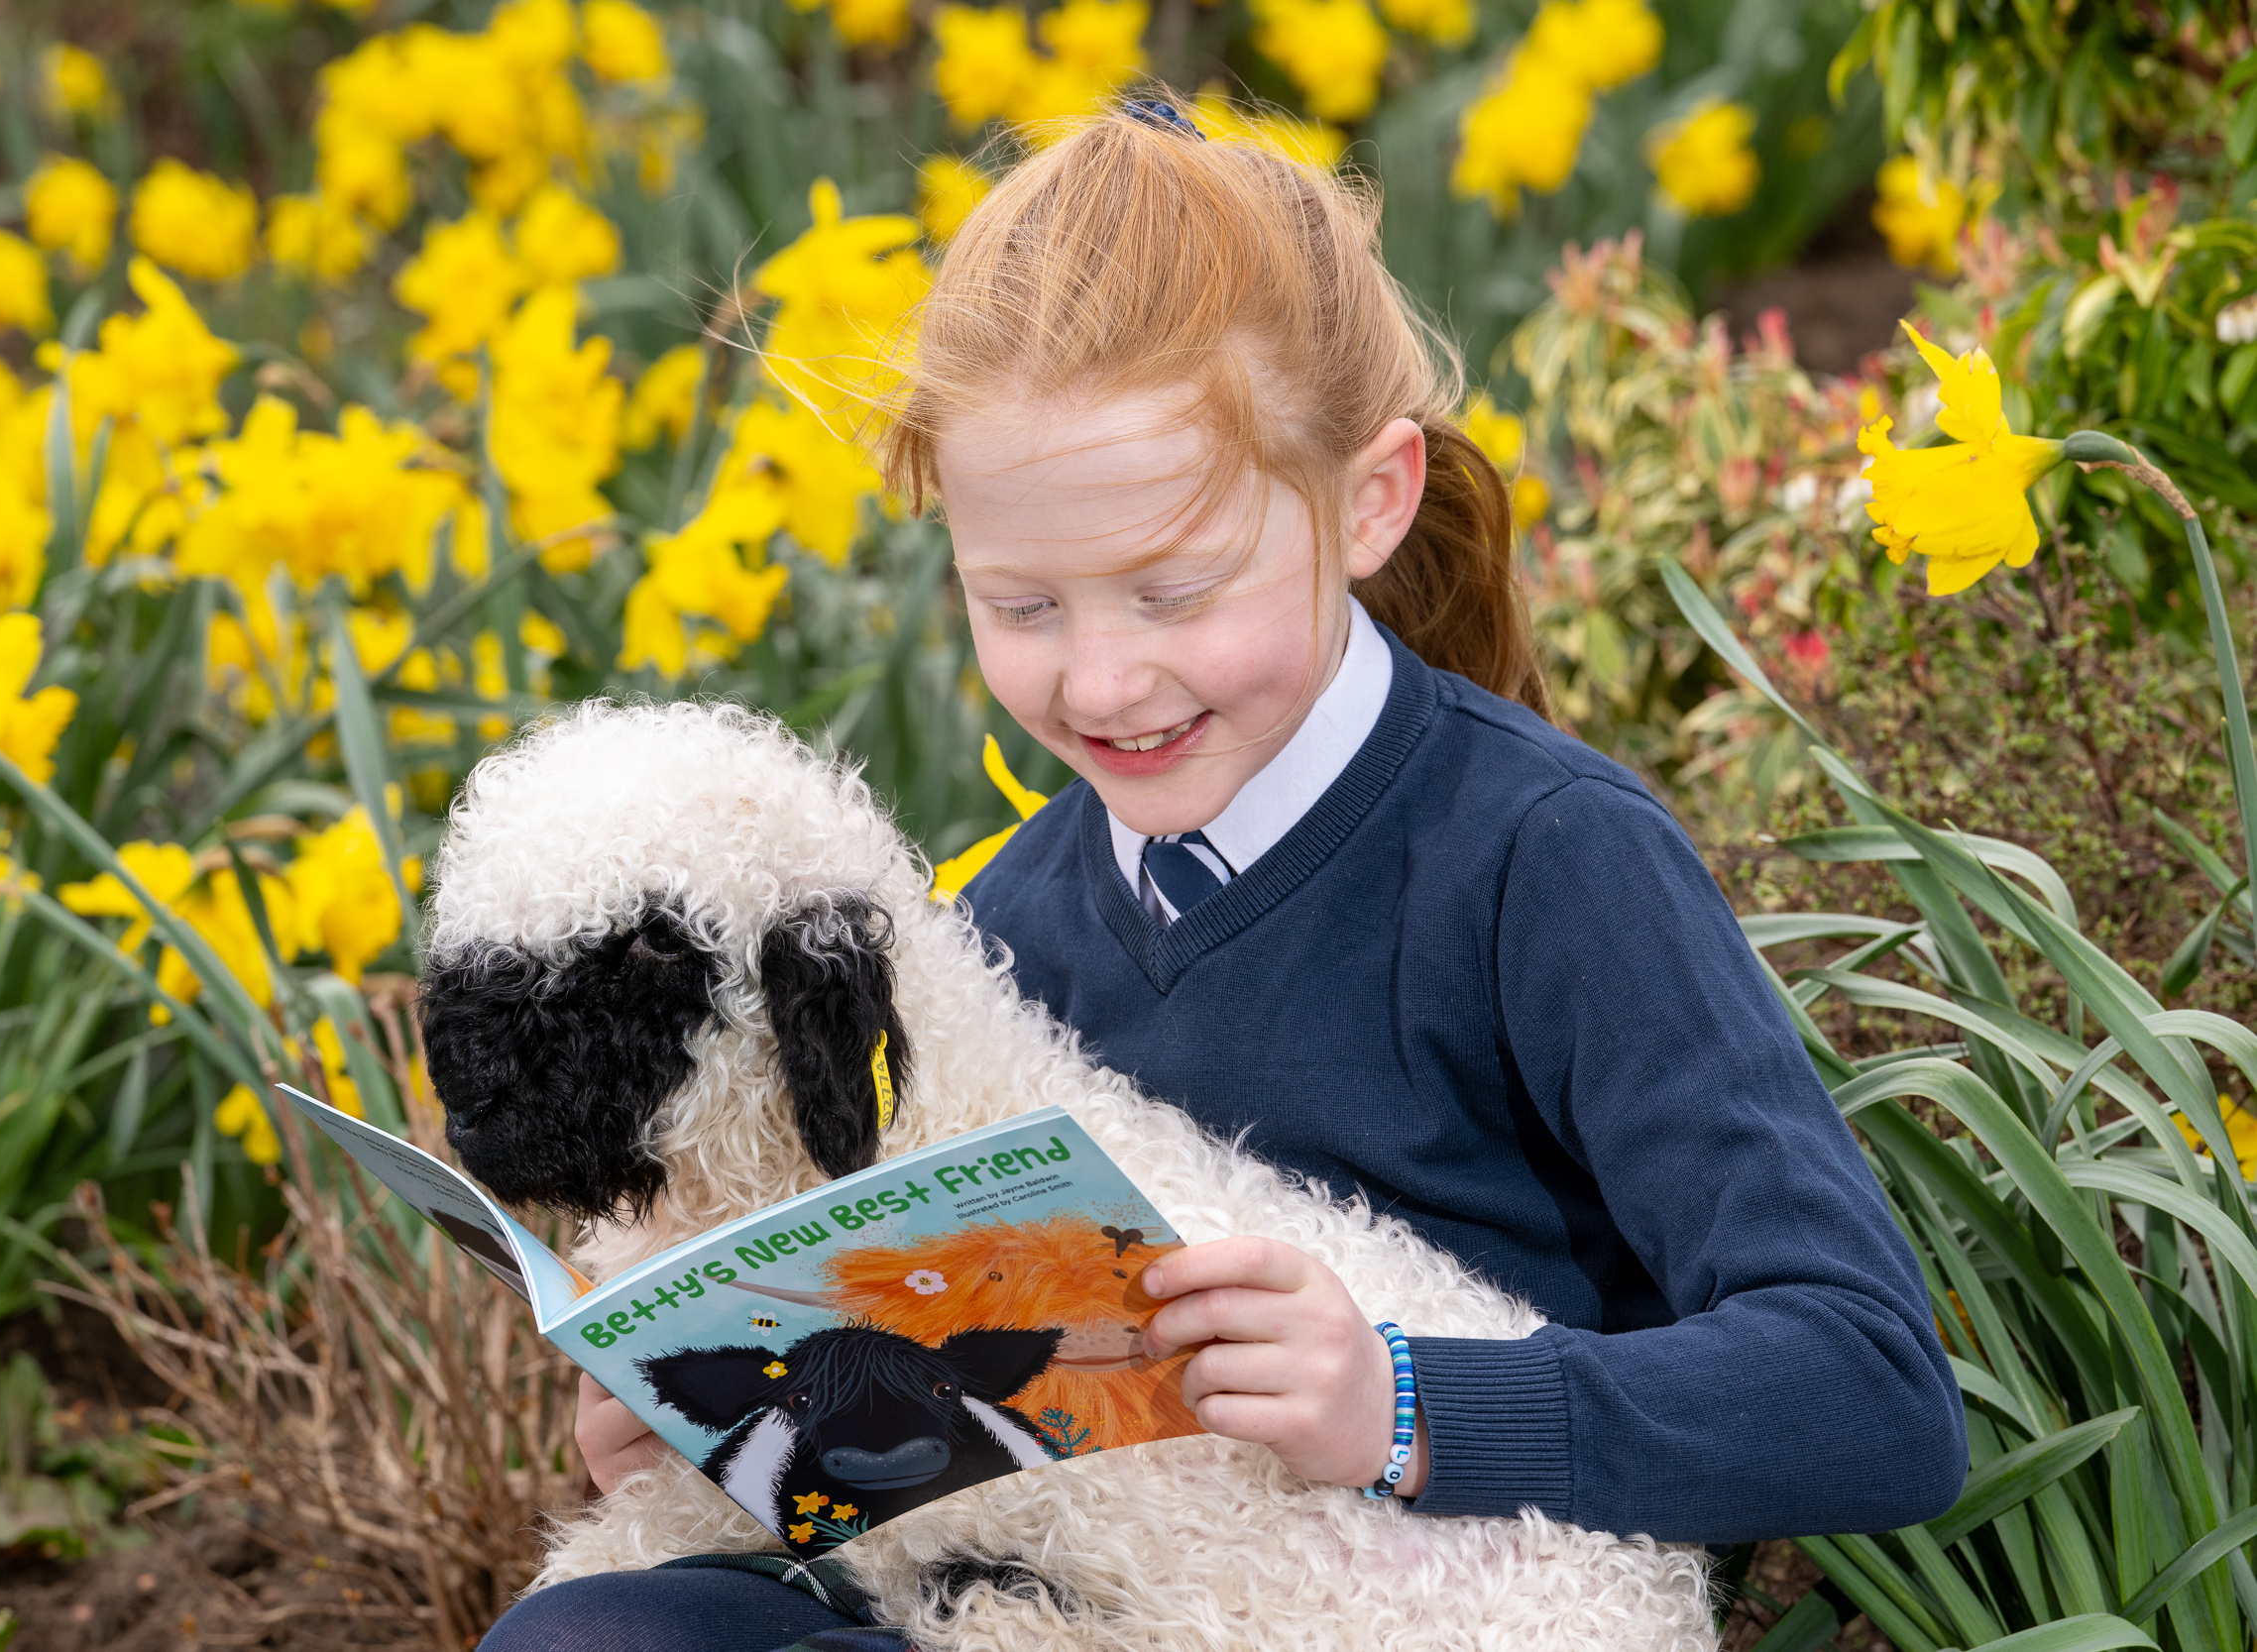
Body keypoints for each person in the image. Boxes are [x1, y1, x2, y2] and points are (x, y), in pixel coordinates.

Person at [484, 92, 1966, 1652]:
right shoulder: (1001, 936)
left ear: (1369, 501)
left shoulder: (1547, 861)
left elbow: (1870, 1386)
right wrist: (729, 1435)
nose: (1103, 681)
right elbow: (971, 1437)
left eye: (1176, 590)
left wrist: (1405, 1404)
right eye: (1024, 606)